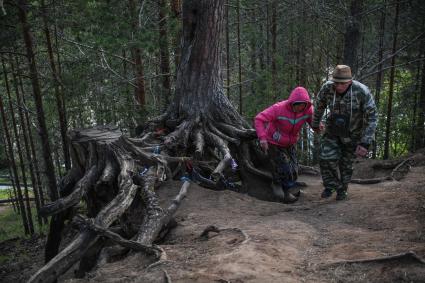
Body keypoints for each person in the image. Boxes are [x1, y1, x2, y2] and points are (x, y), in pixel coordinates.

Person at [311, 65, 377, 200]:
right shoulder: (327, 88)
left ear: (350, 81)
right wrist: (315, 124)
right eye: (336, 82)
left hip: (353, 134)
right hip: (332, 131)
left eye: (342, 83)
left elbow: (372, 118)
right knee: (325, 158)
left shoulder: (362, 92)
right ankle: (332, 185)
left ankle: (343, 190)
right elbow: (318, 106)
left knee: (346, 165)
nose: (338, 86)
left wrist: (365, 142)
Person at [255, 87, 318, 203]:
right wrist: (262, 139)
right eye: (297, 105)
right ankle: (280, 187)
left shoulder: (308, 110)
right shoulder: (278, 108)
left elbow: (313, 122)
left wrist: (318, 127)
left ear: (306, 104)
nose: (299, 108)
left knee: (294, 169)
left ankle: (287, 188)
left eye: (302, 105)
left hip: (290, 143)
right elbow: (259, 119)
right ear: (291, 103)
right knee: (283, 166)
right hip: (273, 142)